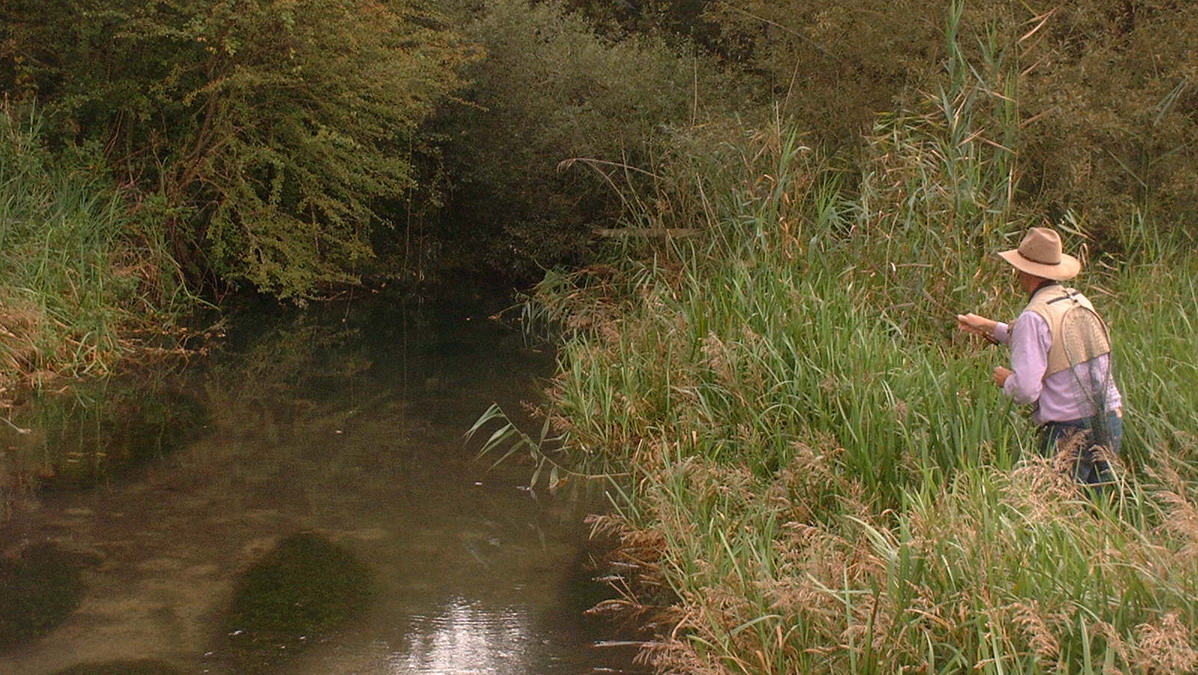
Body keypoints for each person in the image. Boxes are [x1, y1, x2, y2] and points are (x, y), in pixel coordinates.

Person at [957, 227, 1123, 487]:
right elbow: (1054, 344)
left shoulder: (1033, 317)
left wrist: (1006, 380)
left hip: (1069, 431)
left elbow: (1026, 391)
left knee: (1060, 509)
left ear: (1026, 271)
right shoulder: (1077, 301)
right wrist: (988, 326)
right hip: (1110, 419)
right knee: (1099, 513)